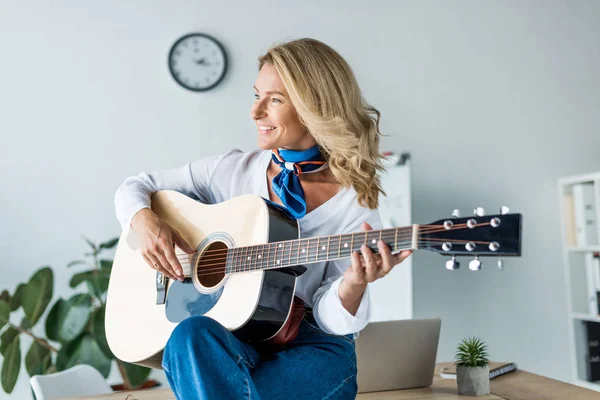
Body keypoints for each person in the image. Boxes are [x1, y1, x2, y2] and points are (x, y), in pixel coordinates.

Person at [114, 38, 412, 400]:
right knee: (188, 336)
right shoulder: (230, 171)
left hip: (309, 344)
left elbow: (332, 320)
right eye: (256, 95)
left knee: (303, 370)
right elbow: (137, 186)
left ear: (312, 108)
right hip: (233, 339)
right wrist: (145, 221)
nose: (256, 113)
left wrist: (353, 284)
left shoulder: (355, 202)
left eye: (274, 100)